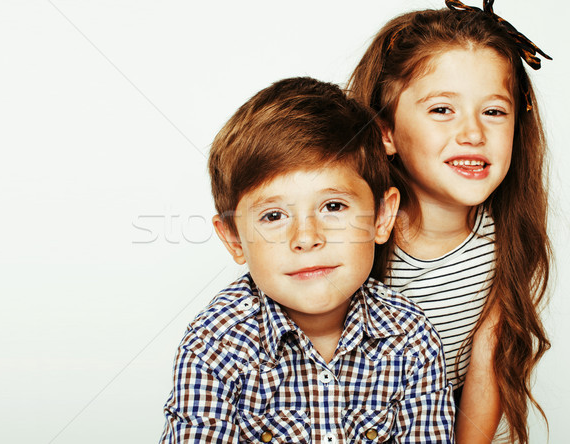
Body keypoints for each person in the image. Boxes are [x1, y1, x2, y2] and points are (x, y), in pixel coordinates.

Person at [159, 77, 455, 443]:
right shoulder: (215, 345)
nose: (306, 238)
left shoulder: (410, 337)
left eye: (333, 207)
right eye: (273, 216)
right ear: (235, 239)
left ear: (381, 217)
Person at [347, 1, 552, 443]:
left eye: (494, 111)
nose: (473, 133)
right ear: (386, 132)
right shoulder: (351, 239)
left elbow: (488, 365)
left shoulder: (505, 239)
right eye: (442, 109)